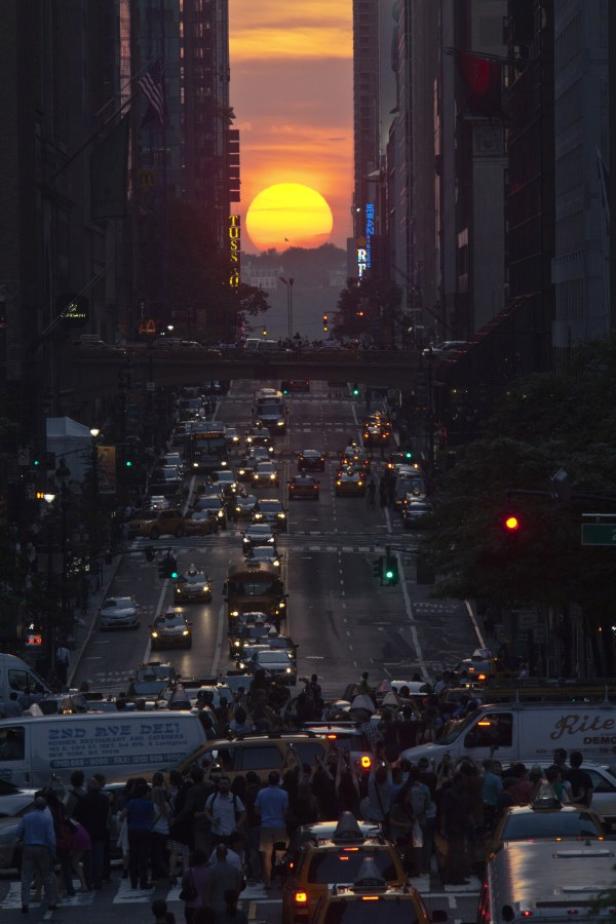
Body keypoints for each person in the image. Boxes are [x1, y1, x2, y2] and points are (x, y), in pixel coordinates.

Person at [18, 795, 57, 913]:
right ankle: (51, 902)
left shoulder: (26, 817)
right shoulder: (47, 819)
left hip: (28, 847)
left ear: (34, 805)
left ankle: (25, 903)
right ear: (45, 806)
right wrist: (53, 851)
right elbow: (50, 837)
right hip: (43, 848)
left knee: (26, 876)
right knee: (47, 875)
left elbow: (19, 832)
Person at [75, 776, 110, 890]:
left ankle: (89, 882)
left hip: (87, 831)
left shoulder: (83, 799)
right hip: (100, 831)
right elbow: (107, 815)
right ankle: (98, 881)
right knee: (99, 858)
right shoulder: (104, 799)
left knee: (87, 859)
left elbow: (77, 816)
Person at [255, 771, 288, 888]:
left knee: (266, 855)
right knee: (280, 854)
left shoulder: (261, 793)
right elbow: (285, 811)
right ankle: (281, 881)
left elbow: (257, 810)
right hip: (279, 825)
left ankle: (267, 881)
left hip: (266, 825)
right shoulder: (284, 794)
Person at [125, 778, 154, 891]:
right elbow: (152, 817)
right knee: (143, 858)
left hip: (132, 831)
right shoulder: (149, 804)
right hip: (145, 831)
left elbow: (123, 815)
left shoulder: (131, 802)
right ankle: (143, 882)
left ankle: (133, 882)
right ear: (145, 793)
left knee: (133, 856)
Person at [202, 845, 243, 920]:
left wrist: (206, 906)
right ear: (226, 853)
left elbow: (208, 889)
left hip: (215, 905)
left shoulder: (211, 871)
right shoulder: (234, 870)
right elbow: (238, 887)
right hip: (230, 904)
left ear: (216, 854)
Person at [205, 776, 245, 846]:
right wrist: (212, 819)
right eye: (221, 784)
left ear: (229, 785)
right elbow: (206, 810)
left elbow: (243, 813)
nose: (223, 786)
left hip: (231, 833)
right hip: (216, 834)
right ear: (218, 785)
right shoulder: (212, 797)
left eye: (225, 784)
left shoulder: (235, 798)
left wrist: (238, 825)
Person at [181, 849, 210, 924]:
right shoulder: (209, 872)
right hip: (205, 905)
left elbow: (184, 887)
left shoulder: (188, 872)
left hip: (190, 905)